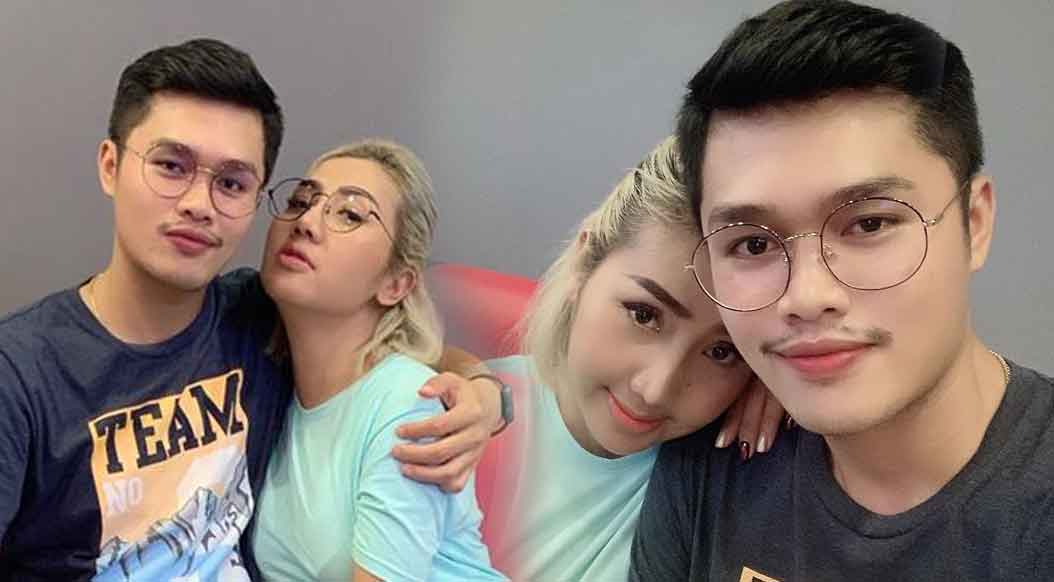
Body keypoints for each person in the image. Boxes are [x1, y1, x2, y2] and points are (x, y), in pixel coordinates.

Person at [0, 39, 504, 581]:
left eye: (231, 183)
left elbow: (401, 356)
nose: (199, 204)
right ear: (110, 165)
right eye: (170, 166)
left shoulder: (256, 318)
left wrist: (484, 395)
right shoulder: (20, 372)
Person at [630, 2, 1054, 580]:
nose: (806, 296)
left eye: (869, 224)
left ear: (974, 224)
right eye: (752, 244)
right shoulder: (709, 459)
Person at [484, 136, 785, 581]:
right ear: (586, 261)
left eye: (722, 352)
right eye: (644, 315)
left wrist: (790, 386)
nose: (656, 390)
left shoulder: (724, 481)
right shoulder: (448, 412)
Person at [250, 139, 505, 581]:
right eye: (300, 201)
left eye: (350, 214)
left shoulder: (408, 405)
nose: (306, 222)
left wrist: (487, 391)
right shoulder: (267, 384)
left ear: (396, 284)